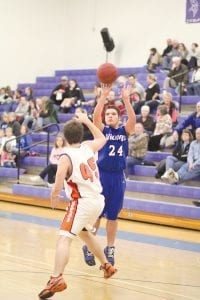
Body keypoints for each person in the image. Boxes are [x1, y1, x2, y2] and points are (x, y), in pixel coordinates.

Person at [38, 112, 117, 299]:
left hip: (81, 202)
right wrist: (86, 120)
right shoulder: (88, 146)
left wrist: (54, 194)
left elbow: (58, 177)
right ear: (81, 135)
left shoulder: (66, 156)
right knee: (85, 234)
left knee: (64, 238)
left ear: (64, 137)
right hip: (98, 200)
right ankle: (107, 265)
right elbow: (102, 137)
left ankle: (56, 278)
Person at [82, 84, 136, 266]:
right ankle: (89, 246)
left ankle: (110, 248)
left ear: (119, 118)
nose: (110, 116)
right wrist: (103, 96)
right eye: (108, 114)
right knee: (97, 214)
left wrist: (126, 100)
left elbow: (133, 121)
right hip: (102, 176)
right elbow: (96, 117)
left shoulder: (124, 132)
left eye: (113, 114)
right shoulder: (102, 131)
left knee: (113, 216)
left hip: (118, 178)